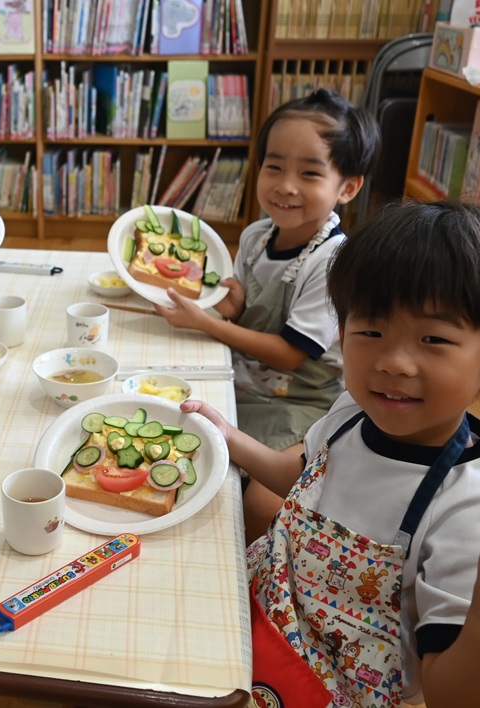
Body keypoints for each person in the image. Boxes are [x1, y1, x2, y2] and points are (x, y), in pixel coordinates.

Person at [182, 201, 480, 706]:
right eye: (370, 331)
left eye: (433, 339)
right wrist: (229, 437)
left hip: (325, 687)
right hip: (265, 607)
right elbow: (302, 477)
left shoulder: (474, 508)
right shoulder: (355, 409)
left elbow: (458, 700)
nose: (392, 363)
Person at [156, 88, 380, 543]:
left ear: (348, 187)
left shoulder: (333, 259)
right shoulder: (258, 235)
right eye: (274, 166)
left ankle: (249, 571)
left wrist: (209, 324)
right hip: (244, 383)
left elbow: (292, 354)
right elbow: (245, 316)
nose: (285, 185)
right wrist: (233, 310)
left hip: (302, 404)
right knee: (178, 442)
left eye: (310, 173)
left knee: (258, 500)